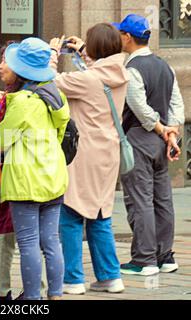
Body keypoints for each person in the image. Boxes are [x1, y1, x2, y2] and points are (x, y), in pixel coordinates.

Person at [50, 23, 128, 295]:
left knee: (70, 212)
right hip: (108, 152)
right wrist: (84, 51)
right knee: (99, 213)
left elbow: (50, 81)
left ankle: (73, 279)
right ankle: (110, 275)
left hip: (84, 153)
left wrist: (51, 53)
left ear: (96, 48)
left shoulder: (88, 80)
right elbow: (96, 70)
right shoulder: (120, 72)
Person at [0, 37, 70, 300]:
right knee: (51, 241)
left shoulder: (23, 101)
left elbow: (0, 141)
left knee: (28, 243)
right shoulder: (55, 95)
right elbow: (60, 132)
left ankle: (33, 298)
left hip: (26, 181)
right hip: (54, 176)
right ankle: (56, 294)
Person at [113, 14, 185, 276]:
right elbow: (176, 103)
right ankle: (165, 256)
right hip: (160, 141)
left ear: (128, 37)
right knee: (163, 199)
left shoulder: (132, 69)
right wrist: (171, 134)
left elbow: (139, 109)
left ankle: (144, 259)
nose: (119, 37)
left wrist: (161, 128)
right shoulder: (164, 66)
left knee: (140, 199)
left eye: (121, 33)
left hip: (139, 138)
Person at [0, 42, 48, 300]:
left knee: (15, 237)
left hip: (20, 178)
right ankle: (32, 291)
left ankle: (20, 293)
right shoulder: (32, 94)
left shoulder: (21, 99)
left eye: (5, 62)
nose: (0, 66)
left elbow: (1, 140)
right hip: (27, 176)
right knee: (20, 237)